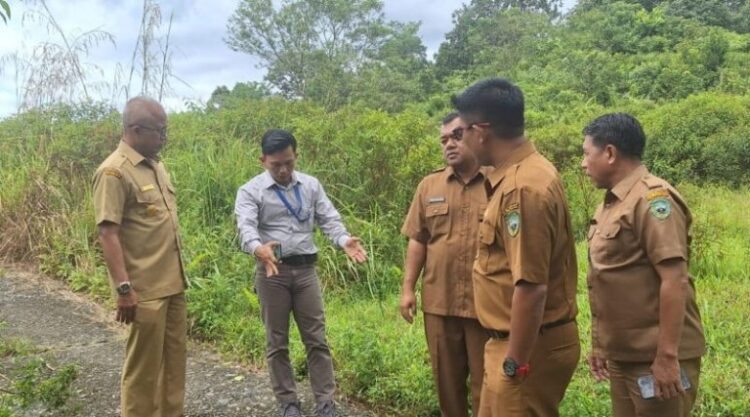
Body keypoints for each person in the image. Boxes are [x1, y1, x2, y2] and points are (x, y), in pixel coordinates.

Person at [452, 78, 580, 417]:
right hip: (514, 342)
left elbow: (532, 287)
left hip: (526, 347)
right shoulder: (522, 175)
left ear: (481, 131)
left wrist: (515, 365)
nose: (459, 140)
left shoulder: (522, 188)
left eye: (461, 131)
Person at [234, 129, 368, 417]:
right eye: (276, 165)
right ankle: (288, 403)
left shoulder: (310, 185)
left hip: (306, 271)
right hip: (273, 273)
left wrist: (345, 241)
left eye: (289, 163)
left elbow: (329, 219)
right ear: (263, 160)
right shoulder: (250, 191)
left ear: (296, 156)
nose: (283, 170)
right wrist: (258, 248)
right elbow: (245, 227)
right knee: (277, 341)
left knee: (317, 339)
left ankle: (325, 402)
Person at [581, 113, 706, 417]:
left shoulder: (652, 200)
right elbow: (607, 279)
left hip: (655, 359)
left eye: (587, 154)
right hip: (624, 355)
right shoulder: (611, 203)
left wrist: (666, 357)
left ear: (610, 153)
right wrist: (601, 345)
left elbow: (674, 280)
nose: (583, 164)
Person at [93, 96, 188, 417]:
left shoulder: (156, 167)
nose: (164, 137)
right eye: (159, 131)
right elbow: (108, 233)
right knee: (142, 373)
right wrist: (123, 288)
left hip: (173, 284)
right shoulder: (114, 173)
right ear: (135, 129)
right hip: (143, 291)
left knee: (174, 369)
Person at [399, 112, 490, 417]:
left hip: (486, 306)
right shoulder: (429, 185)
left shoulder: (499, 182)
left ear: (476, 134)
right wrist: (407, 288)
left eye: (456, 136)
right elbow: (418, 239)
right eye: (444, 140)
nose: (449, 144)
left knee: (486, 385)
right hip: (440, 302)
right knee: (447, 385)